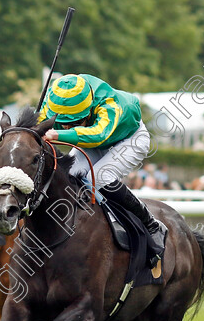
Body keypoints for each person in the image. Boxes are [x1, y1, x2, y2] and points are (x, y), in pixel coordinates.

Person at [39, 73, 166, 267]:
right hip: (91, 139)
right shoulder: (54, 100)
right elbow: (36, 125)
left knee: (98, 177)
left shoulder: (110, 104)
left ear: (88, 109)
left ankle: (150, 223)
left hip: (128, 138)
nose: (66, 126)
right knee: (69, 178)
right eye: (63, 122)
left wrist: (58, 133)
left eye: (73, 122)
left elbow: (98, 135)